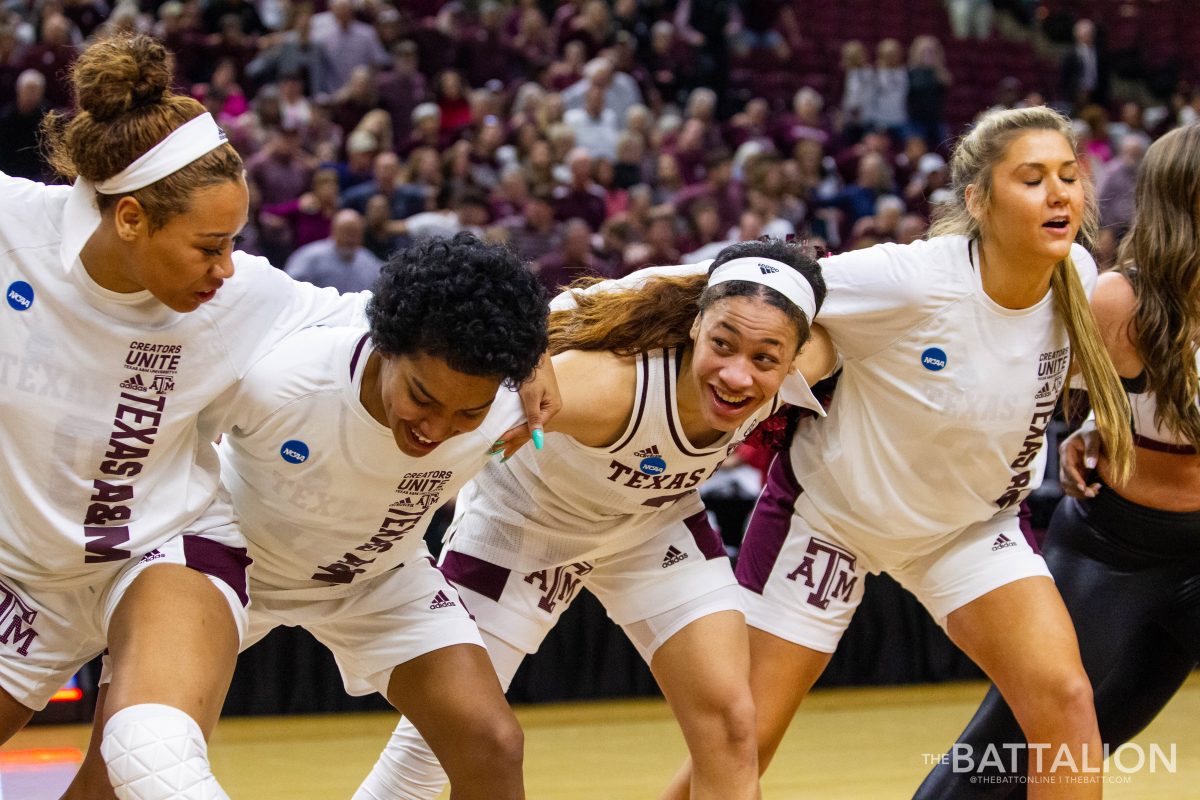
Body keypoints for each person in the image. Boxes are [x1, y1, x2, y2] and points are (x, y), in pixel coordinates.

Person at [672, 106, 1136, 798]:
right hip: (830, 524)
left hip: (967, 530)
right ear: (978, 200)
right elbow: (757, 287)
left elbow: (1095, 363)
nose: (1060, 194)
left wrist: (1099, 420)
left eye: (1069, 176)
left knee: (1066, 702)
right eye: (1033, 179)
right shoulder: (910, 278)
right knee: (737, 748)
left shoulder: (1074, 269)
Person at [0, 33, 369, 798]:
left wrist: (531, 342)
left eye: (235, 242)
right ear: (130, 218)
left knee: (149, 763)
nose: (227, 268)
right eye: (209, 246)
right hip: (23, 573)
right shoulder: (12, 231)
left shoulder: (246, 296)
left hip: (161, 549)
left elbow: (399, 317)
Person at [65, 234, 549, 799]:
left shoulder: (519, 408)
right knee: (118, 774)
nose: (436, 429)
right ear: (386, 345)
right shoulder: (283, 379)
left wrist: (544, 354)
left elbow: (611, 335)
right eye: (423, 397)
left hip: (378, 575)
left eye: (468, 412)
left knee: (493, 743)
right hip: (227, 562)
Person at [355, 239, 836, 800]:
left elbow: (864, 304)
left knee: (732, 726)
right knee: (434, 752)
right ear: (695, 325)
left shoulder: (808, 358)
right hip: (522, 528)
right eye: (722, 344)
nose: (736, 375)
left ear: (795, 357)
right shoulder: (603, 387)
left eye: (764, 358)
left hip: (650, 526)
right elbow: (448, 421)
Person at [915, 123, 1200, 798]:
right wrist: (1100, 424)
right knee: (1014, 750)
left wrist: (1102, 423)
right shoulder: (1118, 300)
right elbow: (1065, 389)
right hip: (1114, 548)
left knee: (1097, 738)